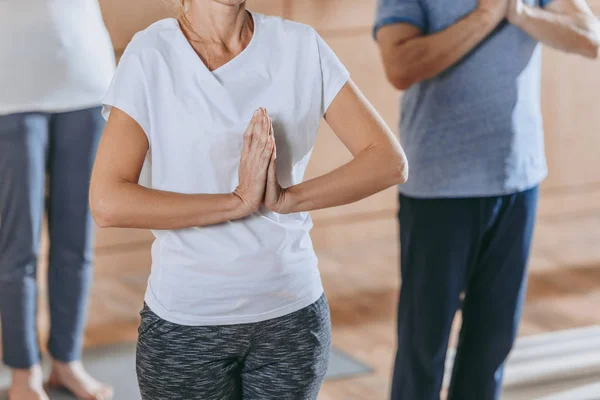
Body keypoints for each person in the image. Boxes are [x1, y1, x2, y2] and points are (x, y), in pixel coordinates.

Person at [89, 0, 408, 399]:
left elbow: (388, 161)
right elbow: (107, 201)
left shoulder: (300, 45)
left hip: (291, 317)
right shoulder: (150, 54)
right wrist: (235, 201)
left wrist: (288, 199)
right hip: (187, 323)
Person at [374, 0, 599, 398]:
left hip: (518, 179)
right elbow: (400, 66)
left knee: (493, 340)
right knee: (424, 345)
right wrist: (484, 15)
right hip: (439, 187)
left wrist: (519, 12)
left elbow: (590, 37)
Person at [0, 1, 117, 400]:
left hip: (85, 80)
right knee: (18, 246)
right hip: (10, 89)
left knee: (76, 241)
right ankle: (23, 371)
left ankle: (66, 362)